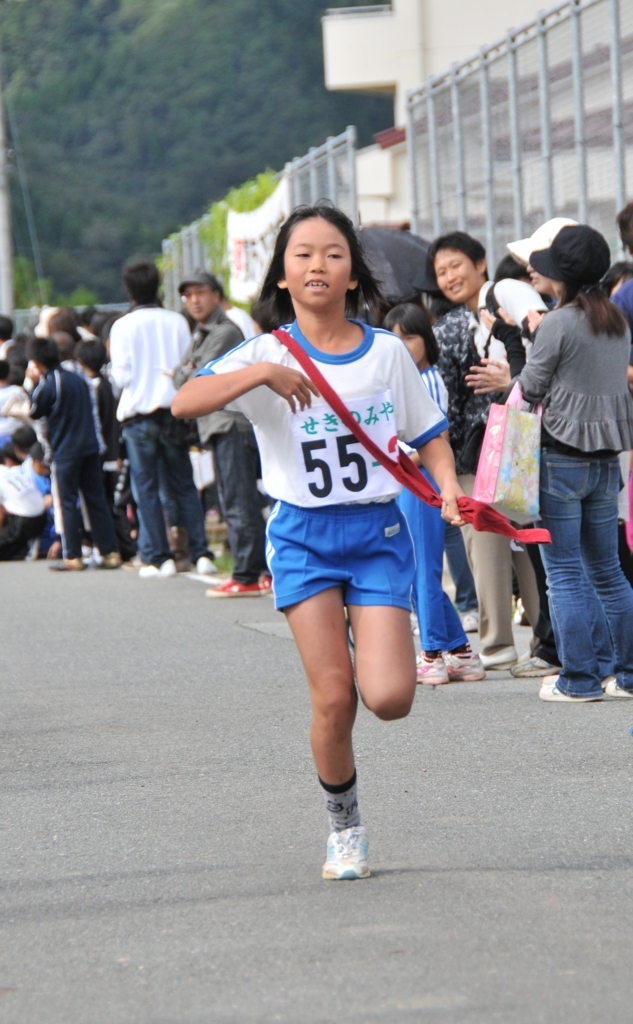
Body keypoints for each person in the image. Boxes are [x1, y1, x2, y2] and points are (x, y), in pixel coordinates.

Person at [172, 203, 463, 880]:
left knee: (388, 698)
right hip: (302, 536)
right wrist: (261, 374)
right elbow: (187, 401)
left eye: (333, 254)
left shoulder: (386, 351)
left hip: (375, 533)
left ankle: (372, 629)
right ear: (281, 272)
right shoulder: (266, 350)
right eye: (302, 254)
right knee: (333, 696)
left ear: (353, 273)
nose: (317, 266)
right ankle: (344, 826)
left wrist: (446, 486)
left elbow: (430, 437)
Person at [515, 225, 633, 701]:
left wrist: (530, 346)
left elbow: (531, 388)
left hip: (559, 460)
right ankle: (627, 675)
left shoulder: (557, 323)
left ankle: (579, 679)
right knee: (608, 571)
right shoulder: (616, 322)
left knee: (563, 572)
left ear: (560, 273)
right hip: (607, 463)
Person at [429, 231, 539, 670]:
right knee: (523, 539)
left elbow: (450, 403)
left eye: (456, 265)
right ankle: (540, 640)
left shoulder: (472, 318)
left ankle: (498, 644)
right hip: (515, 445)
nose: (449, 276)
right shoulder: (465, 322)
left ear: (480, 263)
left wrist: (449, 468)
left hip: (484, 451)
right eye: (440, 271)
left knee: (491, 547)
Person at [383, 302, 485, 684]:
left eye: (409, 337)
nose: (402, 345)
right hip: (410, 481)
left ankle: (431, 655)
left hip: (422, 479)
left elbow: (433, 438)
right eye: (394, 338)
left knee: (422, 568)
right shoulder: (403, 381)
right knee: (417, 568)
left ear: (425, 339)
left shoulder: (427, 379)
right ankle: (459, 651)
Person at [109, 260, 216, 578]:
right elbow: (187, 367)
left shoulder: (122, 326)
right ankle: (201, 552)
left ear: (128, 290)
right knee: (184, 484)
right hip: (174, 412)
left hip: (139, 415)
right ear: (157, 286)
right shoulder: (177, 322)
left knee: (147, 488)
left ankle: (159, 556)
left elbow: (121, 377)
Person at [174, 271, 268, 595]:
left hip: (231, 423)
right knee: (237, 497)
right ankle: (259, 570)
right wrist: (185, 373)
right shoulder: (201, 333)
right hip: (216, 425)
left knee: (238, 500)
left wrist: (186, 372)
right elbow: (180, 376)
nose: (194, 301)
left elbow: (194, 378)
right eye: (188, 296)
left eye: (200, 293)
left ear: (216, 295)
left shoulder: (225, 330)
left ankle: (247, 575)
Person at [28, 338, 121, 571]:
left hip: (66, 451)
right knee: (96, 500)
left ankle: (73, 556)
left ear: (37, 363)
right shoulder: (78, 377)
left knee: (66, 502)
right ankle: (110, 552)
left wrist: (32, 384)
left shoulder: (51, 382)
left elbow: (34, 410)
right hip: (91, 447)